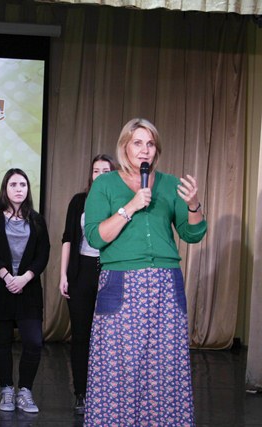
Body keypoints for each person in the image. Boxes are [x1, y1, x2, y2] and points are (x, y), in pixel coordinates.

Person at [83, 118, 207, 425]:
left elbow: (192, 234)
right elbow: (96, 237)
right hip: (122, 285)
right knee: (118, 369)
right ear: (124, 147)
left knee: (165, 369)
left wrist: (193, 205)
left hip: (165, 285)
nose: (145, 150)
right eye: (137, 143)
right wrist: (131, 207)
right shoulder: (105, 185)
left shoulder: (169, 184)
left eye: (150, 144)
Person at [0, 168, 50, 414]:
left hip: (28, 289)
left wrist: (25, 278)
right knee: (2, 342)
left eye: (23, 185)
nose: (19, 189)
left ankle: (25, 391)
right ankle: (7, 390)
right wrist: (8, 276)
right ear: (5, 189)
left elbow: (43, 254)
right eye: (13, 185)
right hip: (1, 288)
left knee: (34, 342)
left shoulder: (37, 220)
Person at [59, 154, 116, 415]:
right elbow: (68, 239)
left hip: (110, 271)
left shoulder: (120, 201)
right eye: (96, 170)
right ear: (90, 174)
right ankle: (81, 393)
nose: (100, 175)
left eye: (106, 170)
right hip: (81, 271)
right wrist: (63, 275)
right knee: (81, 336)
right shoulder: (78, 201)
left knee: (108, 338)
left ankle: (105, 392)